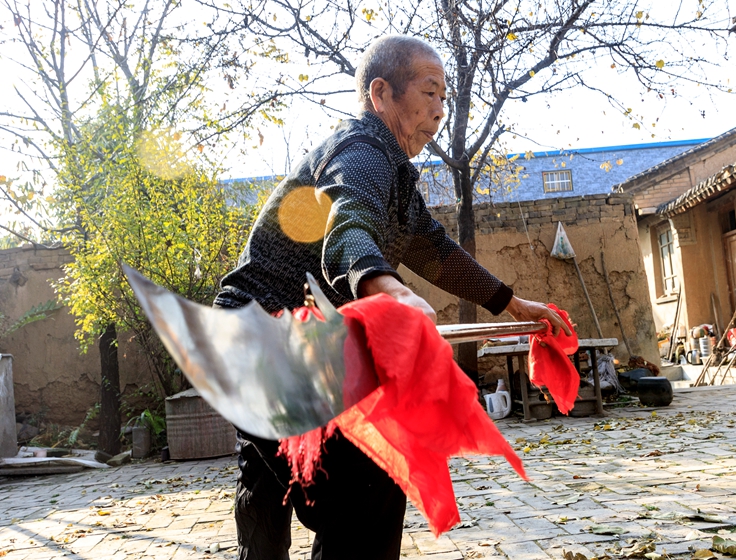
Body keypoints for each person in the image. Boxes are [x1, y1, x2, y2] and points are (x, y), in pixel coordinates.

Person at [213, 35, 570, 560]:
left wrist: (511, 304)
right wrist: (388, 289)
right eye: (429, 92)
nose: (440, 110)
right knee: (360, 484)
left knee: (280, 490)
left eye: (444, 97)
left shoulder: (394, 175)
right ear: (381, 94)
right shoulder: (361, 152)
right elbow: (347, 225)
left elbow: (435, 251)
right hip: (264, 337)